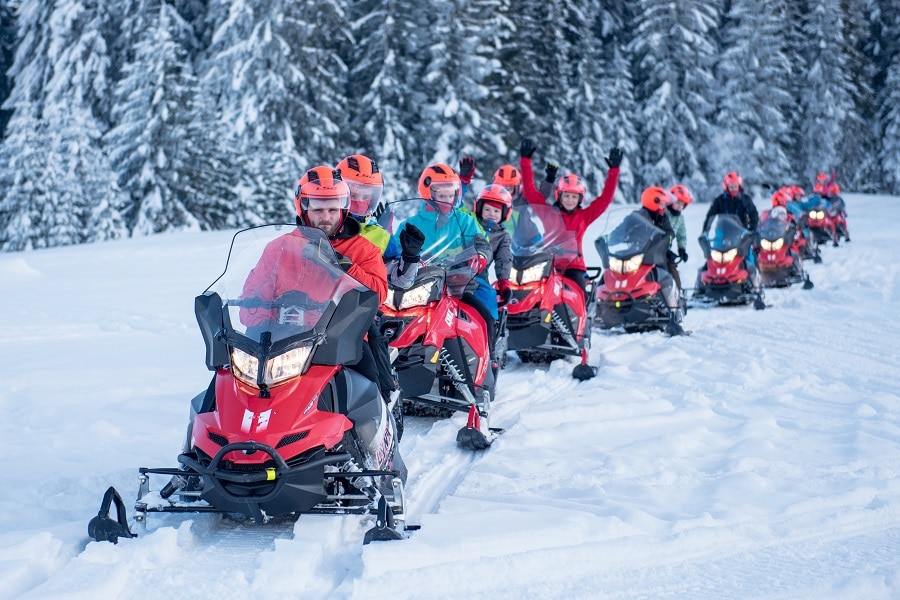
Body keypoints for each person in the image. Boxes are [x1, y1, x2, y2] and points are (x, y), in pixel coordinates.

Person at [396, 163, 497, 350]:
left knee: (482, 312)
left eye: (451, 195)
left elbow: (481, 242)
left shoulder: (464, 220)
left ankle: (488, 353)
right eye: (442, 196)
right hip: (420, 287)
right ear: (429, 195)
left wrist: (480, 255)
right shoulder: (409, 225)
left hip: (458, 281)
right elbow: (395, 252)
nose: (447, 200)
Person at [519, 137, 622, 298]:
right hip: (548, 265)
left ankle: (581, 321)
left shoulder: (583, 216)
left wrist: (613, 172)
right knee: (533, 294)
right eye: (567, 196)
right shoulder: (548, 213)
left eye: (574, 197)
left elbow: (605, 200)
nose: (570, 200)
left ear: (580, 199)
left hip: (574, 268)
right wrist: (526, 162)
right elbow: (530, 193)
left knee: (578, 296)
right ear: (559, 195)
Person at [337, 154, 424, 290]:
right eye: (353, 195)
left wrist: (410, 257)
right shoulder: (326, 224)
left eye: (366, 197)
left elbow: (400, 280)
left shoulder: (381, 237)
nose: (360, 202)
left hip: (358, 306)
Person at [700, 171, 762, 295]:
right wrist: (705, 231)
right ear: (726, 187)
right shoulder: (719, 200)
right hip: (722, 231)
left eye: (735, 186)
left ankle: (756, 285)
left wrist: (752, 229)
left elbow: (753, 214)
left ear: (739, 186)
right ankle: (704, 284)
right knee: (712, 257)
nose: (733, 189)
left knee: (748, 255)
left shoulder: (745, 199)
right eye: (731, 186)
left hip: (741, 232)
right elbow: (710, 215)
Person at [635, 186, 684, 335]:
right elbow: (626, 229)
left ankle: (674, 309)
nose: (664, 207)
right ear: (651, 202)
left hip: (658, 252)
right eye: (661, 204)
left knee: (668, 273)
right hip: (638, 253)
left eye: (664, 204)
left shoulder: (663, 217)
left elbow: (670, 232)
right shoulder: (638, 215)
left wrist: (665, 238)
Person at [667, 184, 693, 290]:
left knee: (672, 268)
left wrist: (682, 249)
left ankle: (678, 294)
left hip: (665, 249)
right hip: (654, 246)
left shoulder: (680, 219)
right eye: (677, 203)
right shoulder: (663, 212)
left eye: (682, 204)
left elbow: (681, 235)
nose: (679, 206)